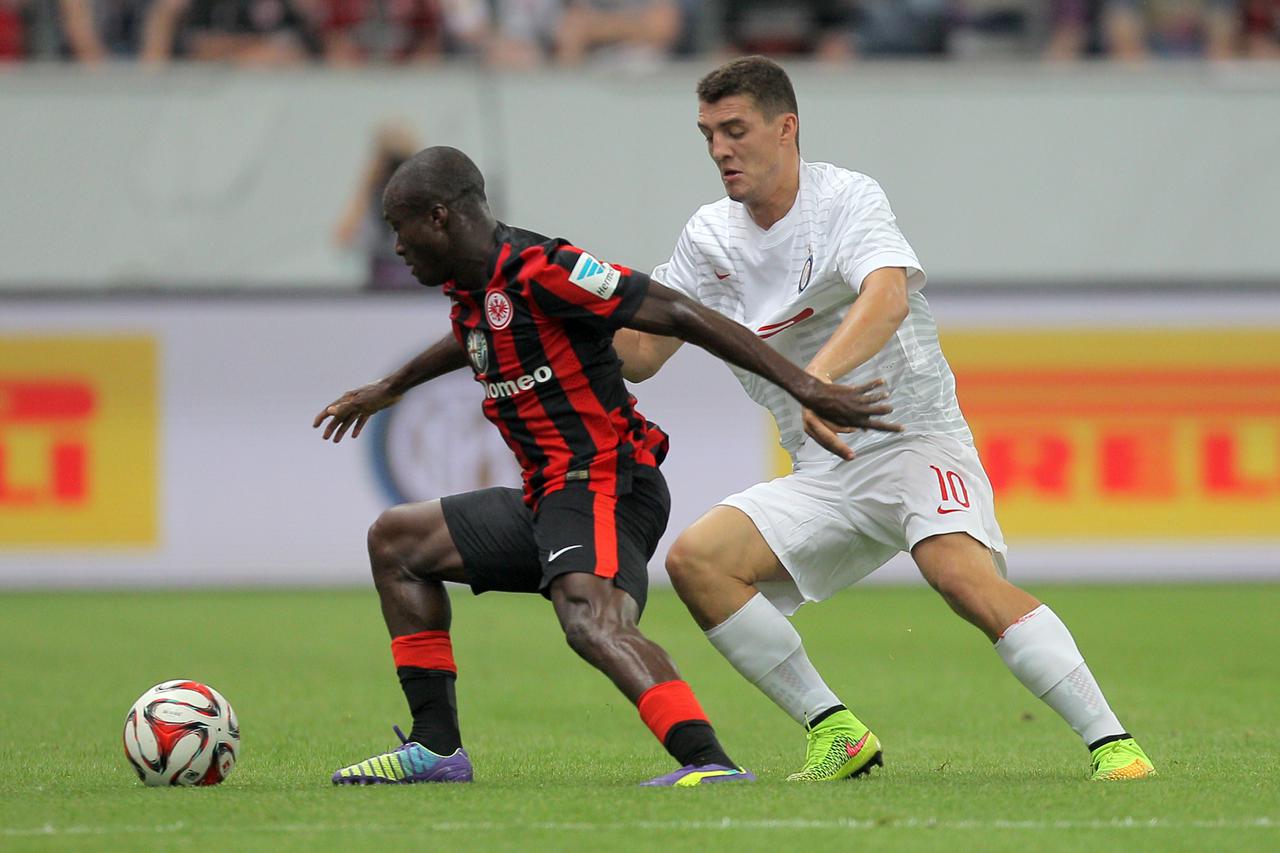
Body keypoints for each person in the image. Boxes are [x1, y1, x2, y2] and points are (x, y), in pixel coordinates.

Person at [612, 55, 1156, 783]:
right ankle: (835, 731)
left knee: (960, 578)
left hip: (913, 442)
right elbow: (642, 355)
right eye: (708, 134)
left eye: (735, 131)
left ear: (786, 127)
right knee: (697, 562)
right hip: (821, 465)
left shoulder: (845, 198)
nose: (719, 151)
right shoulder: (708, 237)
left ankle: (1114, 744)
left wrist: (817, 381)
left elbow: (888, 296)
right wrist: (566, 310)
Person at [313, 145, 900, 786]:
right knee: (397, 541)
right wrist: (392, 385)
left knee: (590, 619)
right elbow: (477, 333)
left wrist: (804, 386)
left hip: (605, 480)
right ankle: (435, 750)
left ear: (439, 217)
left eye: (399, 228)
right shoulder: (476, 289)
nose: (394, 246)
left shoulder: (547, 267)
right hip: (549, 494)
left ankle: (710, 764)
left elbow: (678, 311)